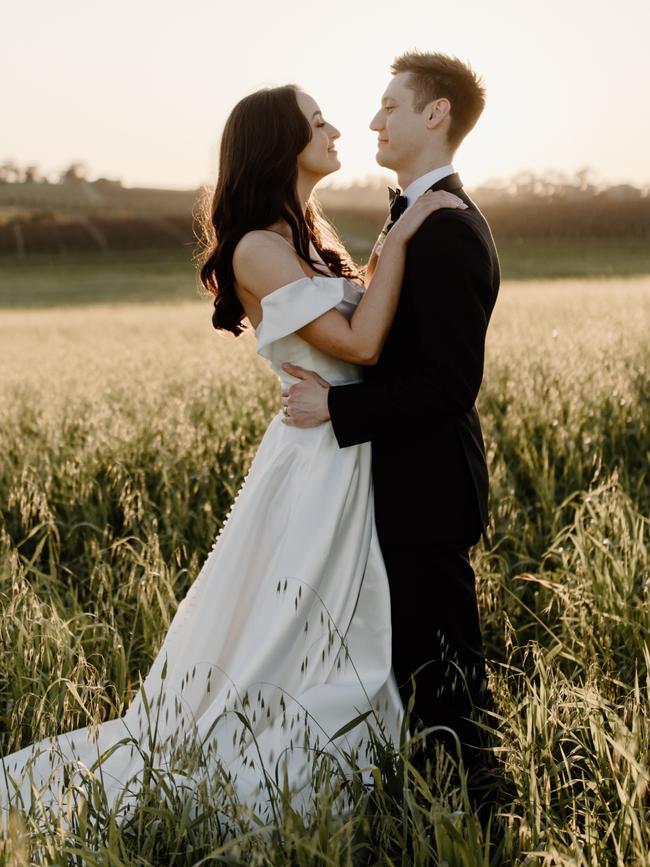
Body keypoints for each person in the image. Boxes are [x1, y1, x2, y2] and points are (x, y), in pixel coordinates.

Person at [0, 83, 465, 829]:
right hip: (318, 463)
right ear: (280, 143)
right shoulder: (257, 245)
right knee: (297, 633)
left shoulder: (306, 232)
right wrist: (404, 236)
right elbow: (361, 343)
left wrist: (380, 251)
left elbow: (356, 322)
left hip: (345, 446)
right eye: (317, 123)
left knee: (338, 626)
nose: (337, 128)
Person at [280, 51, 501, 783]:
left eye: (391, 105)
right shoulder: (415, 217)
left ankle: (479, 814)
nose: (373, 120)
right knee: (413, 666)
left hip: (430, 487)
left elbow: (447, 385)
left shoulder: (448, 228)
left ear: (436, 114)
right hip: (401, 481)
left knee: (448, 678)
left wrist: (336, 405)